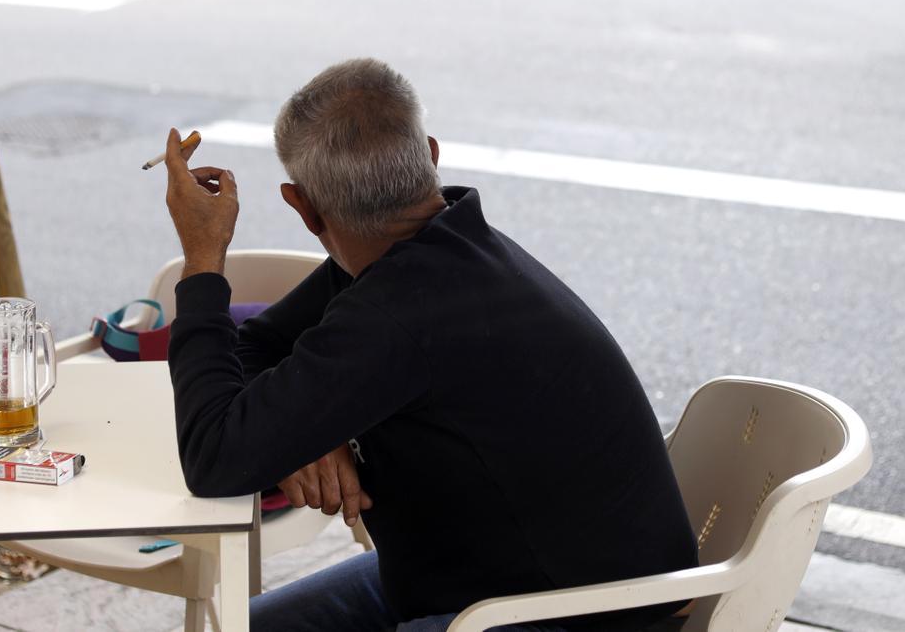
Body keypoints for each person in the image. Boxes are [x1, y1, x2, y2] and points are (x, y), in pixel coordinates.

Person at [160, 58, 698, 631]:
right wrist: (307, 434)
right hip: (481, 577)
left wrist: (202, 260)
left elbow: (214, 458)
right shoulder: (435, 247)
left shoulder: (399, 309)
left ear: (304, 207)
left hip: (581, 612)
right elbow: (258, 344)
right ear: (431, 157)